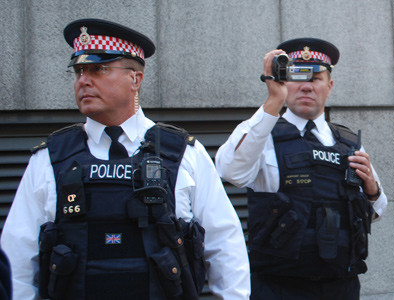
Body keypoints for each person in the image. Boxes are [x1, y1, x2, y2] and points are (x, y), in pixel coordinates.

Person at [0, 18, 250, 300]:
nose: (83, 80)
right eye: (79, 71)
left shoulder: (183, 153)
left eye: (98, 69)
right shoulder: (50, 158)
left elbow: (224, 245)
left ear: (135, 79)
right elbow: (17, 258)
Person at [215, 38, 387, 300]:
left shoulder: (350, 144)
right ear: (284, 80)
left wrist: (372, 190)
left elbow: (376, 211)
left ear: (329, 87)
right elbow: (229, 170)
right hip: (278, 288)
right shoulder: (263, 133)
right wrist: (273, 101)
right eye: (298, 75)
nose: (307, 86)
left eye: (316, 78)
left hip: (341, 287)